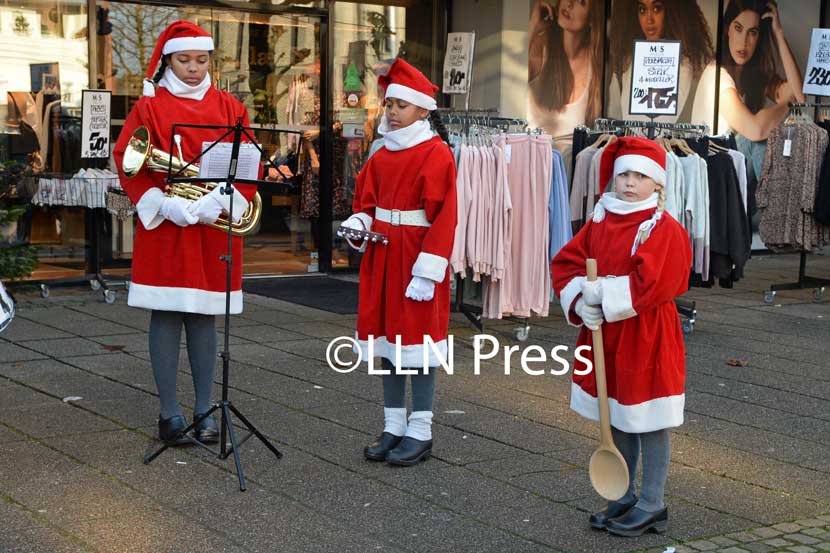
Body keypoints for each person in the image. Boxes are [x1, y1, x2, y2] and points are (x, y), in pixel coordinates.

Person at [113, 21, 258, 445]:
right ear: (168, 60)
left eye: (201, 59)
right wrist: (162, 203)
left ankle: (204, 410)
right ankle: (168, 414)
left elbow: (247, 160)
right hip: (168, 223)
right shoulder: (150, 106)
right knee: (167, 312)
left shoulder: (231, 106)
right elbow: (127, 158)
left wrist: (224, 198)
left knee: (203, 315)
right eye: (184, 60)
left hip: (213, 224)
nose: (194, 68)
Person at [551, 137, 692, 537]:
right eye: (625, 174)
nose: (630, 183)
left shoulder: (662, 227)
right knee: (617, 412)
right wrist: (581, 298)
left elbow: (660, 280)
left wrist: (606, 295)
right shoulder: (601, 218)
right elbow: (568, 261)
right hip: (605, 330)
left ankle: (653, 503)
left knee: (648, 417)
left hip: (646, 332)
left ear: (657, 184)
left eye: (640, 176)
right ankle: (625, 493)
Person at [339, 58, 457, 466]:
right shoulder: (380, 152)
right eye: (388, 104)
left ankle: (420, 430)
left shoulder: (436, 154)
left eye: (400, 105)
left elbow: (446, 216)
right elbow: (366, 202)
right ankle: (393, 425)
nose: (391, 111)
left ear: (423, 110)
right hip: (383, 255)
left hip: (416, 258)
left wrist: (429, 271)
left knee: (419, 346)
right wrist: (359, 220)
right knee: (388, 343)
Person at [691, 0, 804, 179]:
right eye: (738, 28)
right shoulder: (716, 75)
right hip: (712, 171)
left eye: (752, 32)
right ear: (728, 29)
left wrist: (779, 34)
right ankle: (774, 205)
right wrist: (789, 104)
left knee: (790, 133)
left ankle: (775, 202)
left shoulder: (753, 75)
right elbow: (755, 130)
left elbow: (799, 94)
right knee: (756, 141)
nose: (743, 41)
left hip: (734, 170)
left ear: (758, 38)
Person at [607, 0, 715, 122]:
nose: (649, 20)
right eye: (642, 10)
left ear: (672, 12)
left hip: (660, 139)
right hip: (631, 139)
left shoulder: (684, 63)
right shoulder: (626, 61)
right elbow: (618, 116)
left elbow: (662, 120)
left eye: (656, 9)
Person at [528, 0, 604, 166]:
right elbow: (513, 77)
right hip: (535, 159)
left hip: (576, 163)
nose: (569, 4)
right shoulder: (542, 47)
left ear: (592, 18)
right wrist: (534, 24)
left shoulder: (596, 64)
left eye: (581, 2)